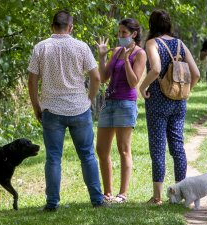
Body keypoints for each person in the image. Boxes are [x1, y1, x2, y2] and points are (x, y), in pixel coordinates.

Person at [27, 10, 107, 211]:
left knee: (53, 157)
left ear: (52, 26)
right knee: (87, 155)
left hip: (52, 110)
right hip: (79, 108)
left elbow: (32, 80)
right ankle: (97, 199)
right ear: (70, 27)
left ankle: (52, 202)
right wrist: (89, 98)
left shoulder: (41, 47)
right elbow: (96, 78)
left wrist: (37, 106)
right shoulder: (81, 47)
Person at [139, 10, 200, 205]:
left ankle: (157, 197)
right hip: (178, 102)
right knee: (177, 147)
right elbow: (196, 73)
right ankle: (181, 193)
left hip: (157, 101)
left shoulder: (152, 43)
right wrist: (184, 91)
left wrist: (143, 86)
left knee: (158, 148)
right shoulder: (180, 44)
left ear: (152, 25)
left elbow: (155, 69)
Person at [95, 18, 146, 203]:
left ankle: (122, 194)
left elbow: (134, 82)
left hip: (126, 103)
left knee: (123, 149)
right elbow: (103, 78)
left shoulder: (140, 54)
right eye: (119, 33)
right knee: (101, 149)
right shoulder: (116, 51)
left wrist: (126, 62)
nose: (120, 36)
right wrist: (101, 56)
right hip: (109, 104)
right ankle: (107, 193)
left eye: (124, 33)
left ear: (133, 34)